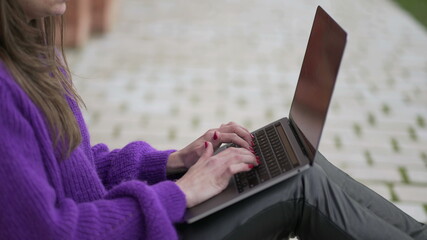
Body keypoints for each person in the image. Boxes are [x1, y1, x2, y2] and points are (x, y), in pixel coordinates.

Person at [0, 0, 425, 239]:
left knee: (295, 160)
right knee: (300, 186)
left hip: (125, 226)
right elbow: (52, 232)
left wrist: (170, 164)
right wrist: (180, 195)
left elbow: (75, 167)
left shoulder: (32, 46)